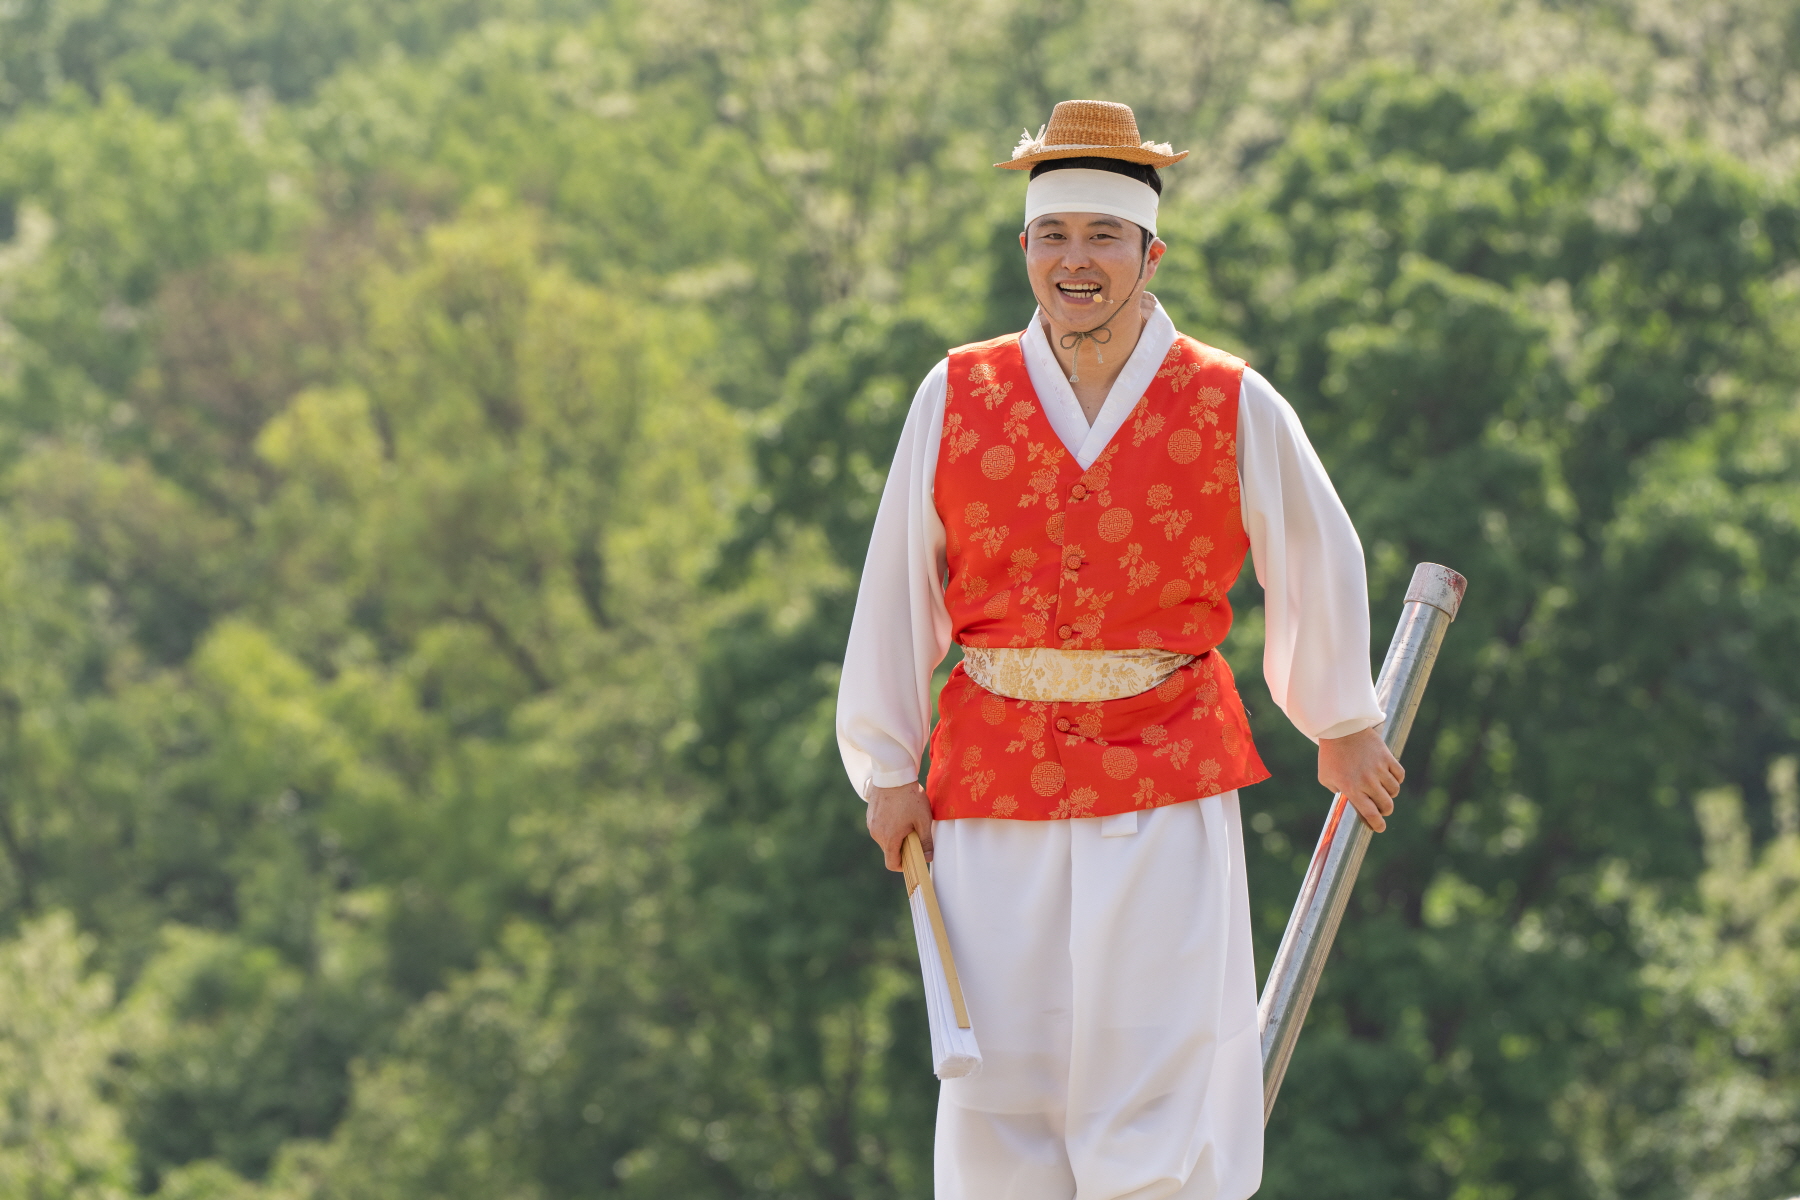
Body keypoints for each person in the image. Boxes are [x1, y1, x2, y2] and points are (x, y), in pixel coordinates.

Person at [836, 99, 1405, 1200]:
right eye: (1054, 237)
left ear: (1151, 252)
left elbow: (1313, 550)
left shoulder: (1230, 399)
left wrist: (1341, 721)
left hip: (1166, 764)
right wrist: (887, 765)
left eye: (1102, 236)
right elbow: (898, 583)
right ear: (1026, 252)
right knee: (1002, 1069)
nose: (1076, 262)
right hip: (993, 773)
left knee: (1156, 1061)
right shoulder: (957, 392)